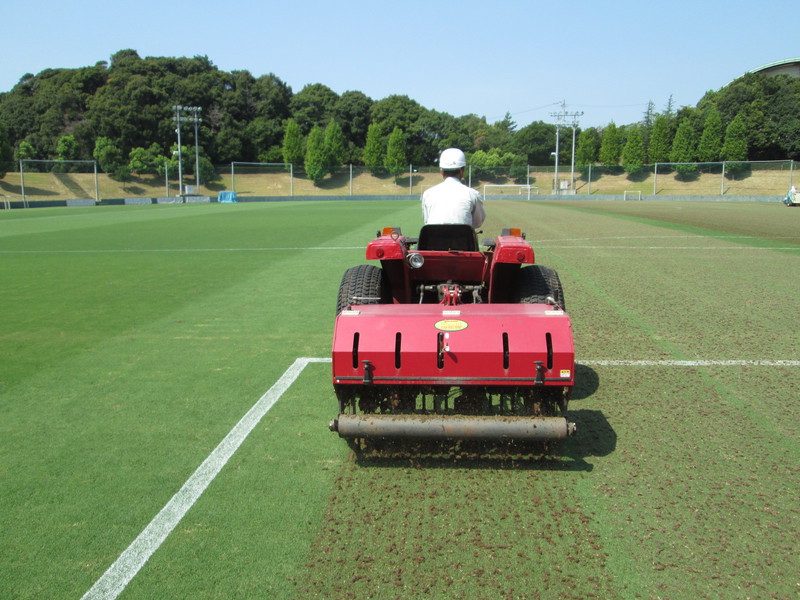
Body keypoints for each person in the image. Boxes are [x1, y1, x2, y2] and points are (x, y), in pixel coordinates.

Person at [422, 148, 486, 228]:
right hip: (464, 240)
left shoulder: (428, 194)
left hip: (435, 240)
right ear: (462, 171)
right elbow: (477, 223)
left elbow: (427, 221)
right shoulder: (472, 194)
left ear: (441, 171)